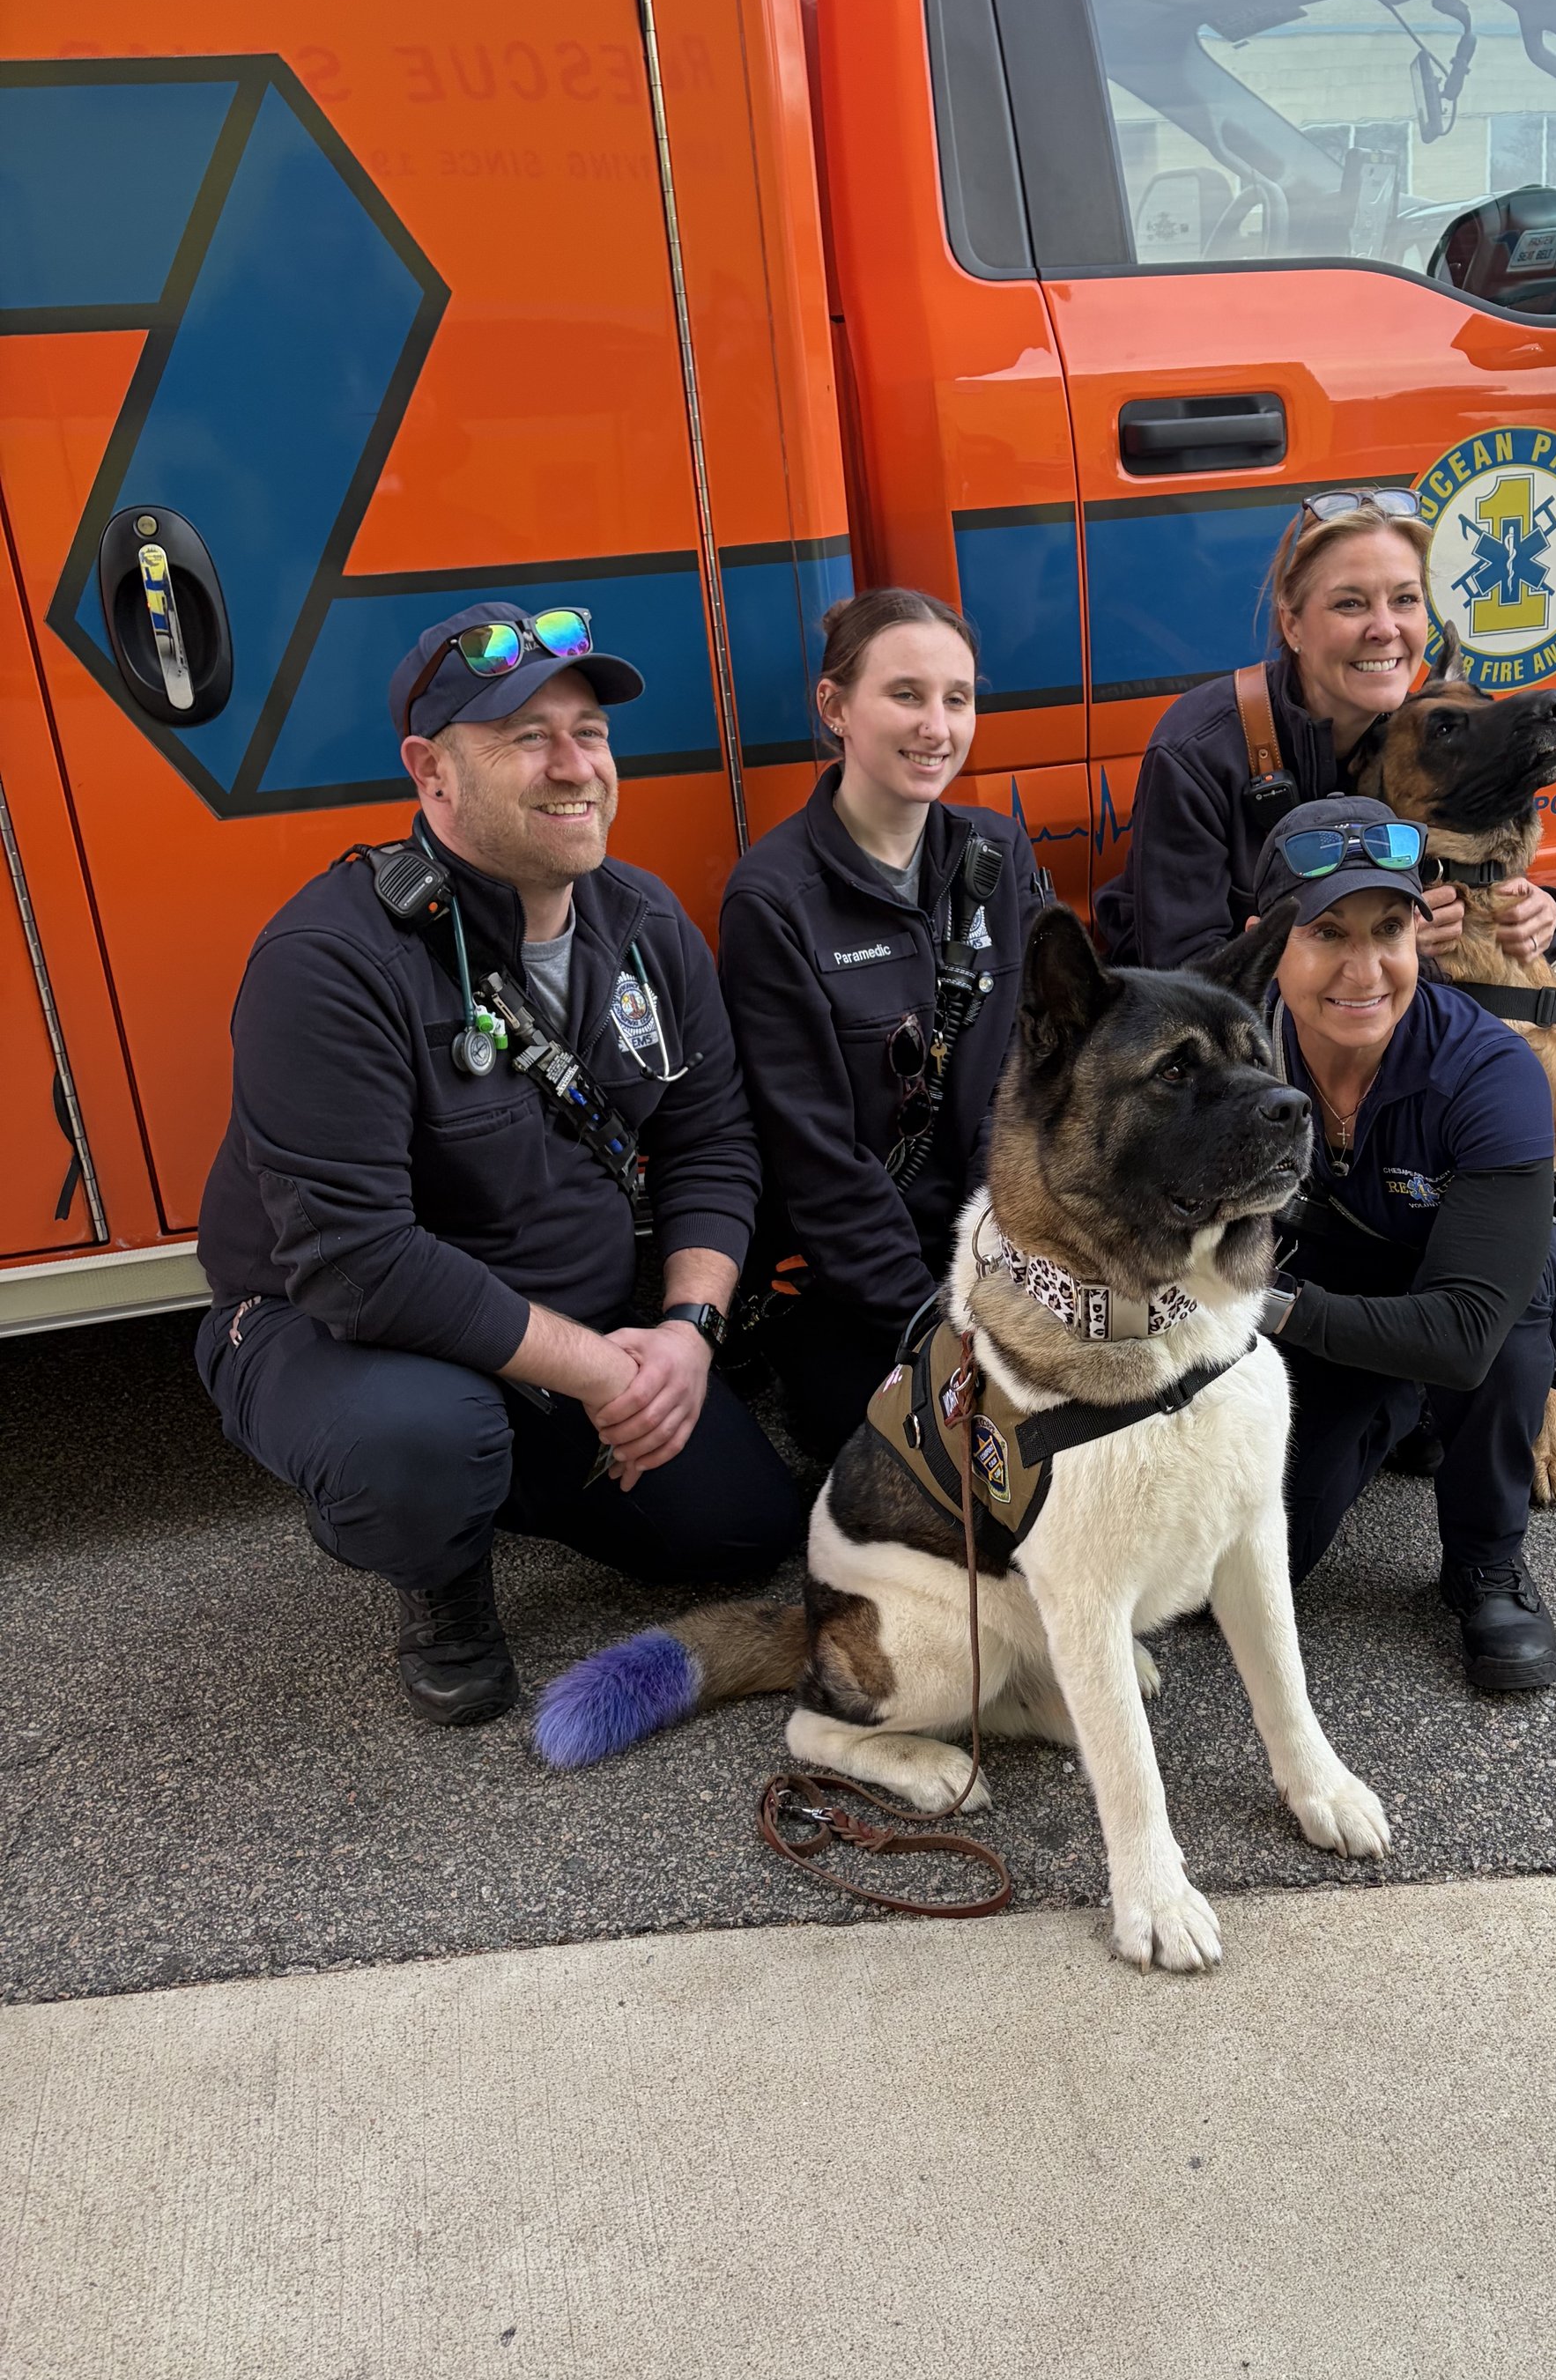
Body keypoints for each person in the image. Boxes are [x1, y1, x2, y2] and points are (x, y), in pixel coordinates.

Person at [196, 600, 806, 1729]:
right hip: (335, 1329)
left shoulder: (645, 923)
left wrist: (686, 1333)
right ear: (430, 771)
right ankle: (440, 1563)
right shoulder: (328, 961)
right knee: (421, 1444)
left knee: (743, 1532)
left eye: (590, 733)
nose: (576, 767)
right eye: (527, 737)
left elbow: (712, 1142)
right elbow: (358, 1263)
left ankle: (511, 1467)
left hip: (563, 1324)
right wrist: (604, 1377)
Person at [1249, 795, 1556, 1693]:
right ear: (1264, 943)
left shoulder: (1490, 1070)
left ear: (1421, 937)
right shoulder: (1224, 1055)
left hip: (1479, 1297)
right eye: (1327, 933)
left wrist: (1263, 1306)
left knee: (1502, 1334)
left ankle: (1486, 1560)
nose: (1364, 969)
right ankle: (1401, 1409)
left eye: (1389, 930)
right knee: (1261, 1567)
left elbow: (1464, 1331)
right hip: (1338, 1287)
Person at [717, 588, 1048, 1459]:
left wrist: (1005, 1271)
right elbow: (818, 1165)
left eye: (957, 698)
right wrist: (939, 1330)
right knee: (932, 1465)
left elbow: (1029, 1073)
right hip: (854, 1280)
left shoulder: (997, 852)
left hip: (994, 1240)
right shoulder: (773, 901)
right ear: (835, 707)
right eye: (906, 694)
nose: (937, 727)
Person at [1093, 490, 1556, 973]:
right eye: (1350, 604)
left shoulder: (1418, 737)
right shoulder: (1199, 752)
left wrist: (1543, 913)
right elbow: (1183, 974)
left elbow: (1480, 870)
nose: (1385, 628)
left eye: (1405, 599)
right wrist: (1390, 943)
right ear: (1293, 625)